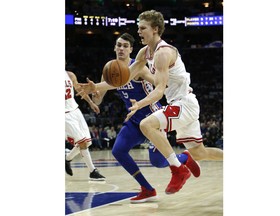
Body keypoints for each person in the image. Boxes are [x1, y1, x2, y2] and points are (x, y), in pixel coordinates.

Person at [78, 10, 223, 194]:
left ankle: (178, 170)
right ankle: (191, 160)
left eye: (142, 28)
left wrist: (140, 104)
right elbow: (124, 78)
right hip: (179, 103)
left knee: (147, 125)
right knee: (200, 153)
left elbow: (159, 90)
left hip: (183, 103)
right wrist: (95, 87)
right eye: (138, 28)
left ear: (155, 29)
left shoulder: (163, 53)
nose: (138, 31)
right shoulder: (144, 52)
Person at [91, 33, 200, 203]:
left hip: (151, 118)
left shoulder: (139, 67)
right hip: (134, 120)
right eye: (118, 45)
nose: (121, 48)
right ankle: (147, 189)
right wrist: (94, 93)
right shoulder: (110, 70)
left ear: (131, 50)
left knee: (158, 162)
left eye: (125, 46)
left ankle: (184, 158)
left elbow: (159, 84)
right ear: (114, 47)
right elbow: (98, 98)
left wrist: (146, 95)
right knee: (118, 150)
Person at [65, 70, 105, 181]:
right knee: (82, 142)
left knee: (87, 142)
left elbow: (79, 90)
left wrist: (91, 103)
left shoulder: (70, 75)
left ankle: (67, 159)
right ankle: (93, 171)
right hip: (64, 115)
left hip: (75, 110)